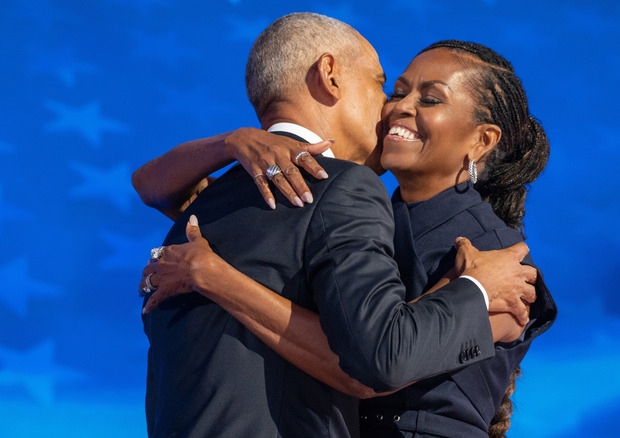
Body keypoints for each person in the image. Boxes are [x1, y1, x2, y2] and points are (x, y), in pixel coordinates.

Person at [135, 13, 539, 438]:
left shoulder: (499, 256)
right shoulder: (336, 197)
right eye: (388, 88)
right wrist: (474, 291)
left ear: (482, 140)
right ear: (329, 75)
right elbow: (374, 359)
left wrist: (214, 274)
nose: (394, 107)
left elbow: (375, 364)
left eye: (430, 99)